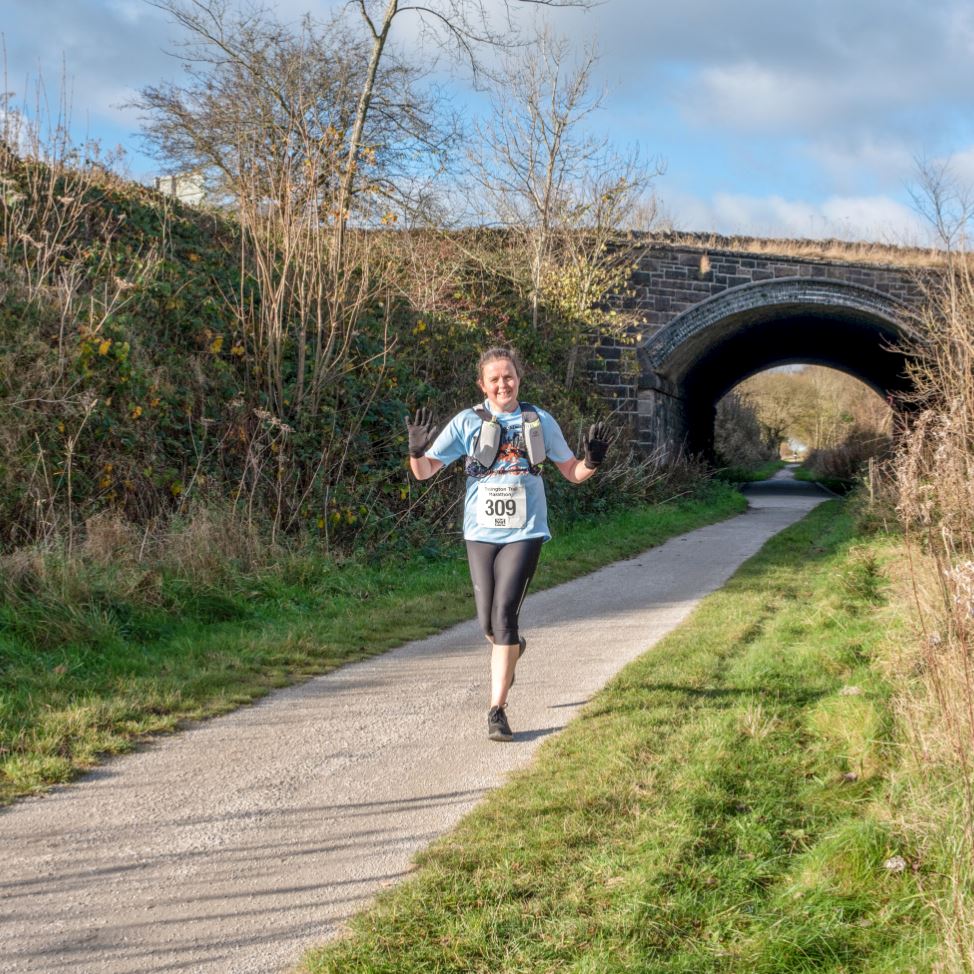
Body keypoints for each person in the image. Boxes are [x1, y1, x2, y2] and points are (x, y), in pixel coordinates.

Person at [406, 346, 613, 742]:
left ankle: (496, 710)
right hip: (480, 533)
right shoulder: (468, 422)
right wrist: (416, 451)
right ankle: (512, 646)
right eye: (494, 378)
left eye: (509, 376)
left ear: (518, 377)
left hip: (525, 531)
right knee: (488, 625)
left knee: (503, 615)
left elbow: (572, 472)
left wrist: (593, 461)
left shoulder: (538, 421)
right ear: (482, 384)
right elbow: (425, 472)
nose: (503, 383)